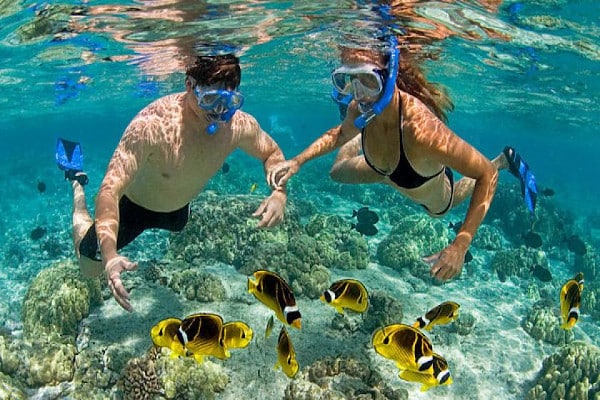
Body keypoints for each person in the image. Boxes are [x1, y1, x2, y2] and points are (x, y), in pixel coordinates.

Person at [268, 36, 537, 282]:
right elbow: (338, 134)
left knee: (444, 207)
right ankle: (363, 136)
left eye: (368, 81)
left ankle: (503, 159)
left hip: (419, 178)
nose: (359, 94)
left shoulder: (421, 131)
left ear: (389, 76)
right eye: (349, 81)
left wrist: (460, 244)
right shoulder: (357, 107)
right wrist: (298, 161)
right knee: (337, 171)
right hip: (384, 169)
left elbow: (484, 176)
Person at [61, 53, 287, 312]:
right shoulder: (152, 125)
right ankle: (76, 183)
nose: (219, 112)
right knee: (89, 267)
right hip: (133, 208)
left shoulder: (238, 126)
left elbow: (272, 153)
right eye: (210, 99)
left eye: (229, 102)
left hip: (178, 210)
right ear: (189, 85)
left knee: (178, 221)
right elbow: (110, 190)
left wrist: (279, 193)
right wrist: (110, 257)